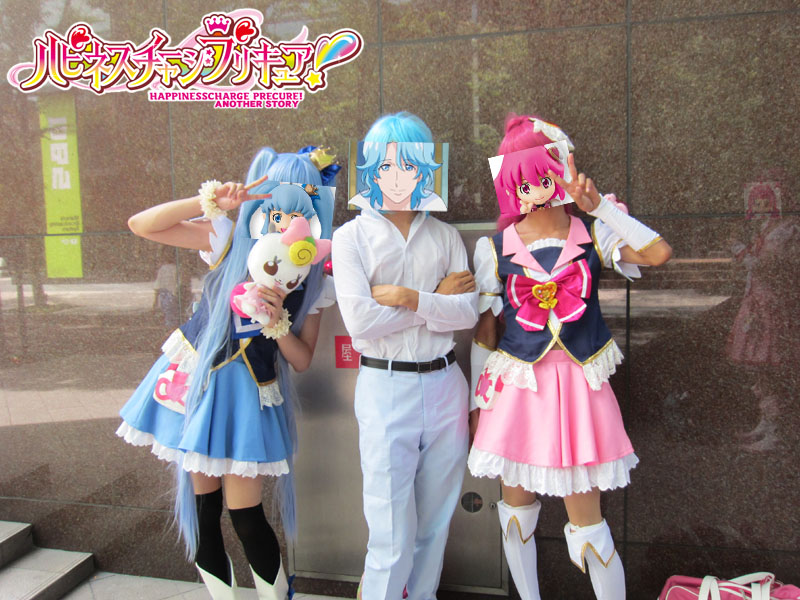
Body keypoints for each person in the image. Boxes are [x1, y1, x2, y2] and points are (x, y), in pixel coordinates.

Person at [116, 147, 339, 600]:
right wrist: (211, 201)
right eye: (276, 209)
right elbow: (141, 224)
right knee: (204, 512)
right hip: (200, 387)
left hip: (249, 398)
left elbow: (301, 360)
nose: (284, 223)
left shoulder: (313, 279)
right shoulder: (228, 239)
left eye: (299, 212)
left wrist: (278, 324)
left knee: (246, 515)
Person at [468, 114, 672, 600]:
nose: (535, 190)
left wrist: (601, 208)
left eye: (542, 175)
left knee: (590, 530)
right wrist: (477, 404)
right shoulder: (493, 249)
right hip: (516, 393)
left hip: (579, 391)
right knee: (515, 518)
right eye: (522, 181)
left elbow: (658, 253)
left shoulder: (595, 232)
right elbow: (486, 332)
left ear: (560, 167)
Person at [331, 112, 479, 600]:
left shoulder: (445, 236)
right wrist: (433, 301)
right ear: (371, 170)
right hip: (384, 385)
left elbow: (466, 314)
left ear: (426, 170)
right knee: (391, 530)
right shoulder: (351, 236)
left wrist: (409, 298)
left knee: (435, 524)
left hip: (446, 385)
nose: (398, 178)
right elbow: (360, 322)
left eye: (409, 166)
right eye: (386, 167)